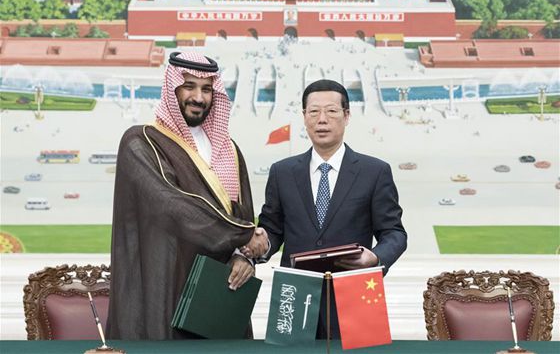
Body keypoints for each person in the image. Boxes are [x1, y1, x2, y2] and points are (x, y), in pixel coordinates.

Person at [106, 51, 268, 340]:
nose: (199, 97)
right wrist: (244, 235)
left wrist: (245, 257)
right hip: (164, 287)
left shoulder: (228, 150)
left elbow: (244, 216)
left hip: (220, 296)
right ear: (172, 89)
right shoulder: (141, 142)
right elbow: (171, 205)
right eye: (189, 86)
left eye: (207, 89)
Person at [254, 79, 407, 338]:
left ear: (346, 116)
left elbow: (394, 233)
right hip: (295, 294)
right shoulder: (282, 172)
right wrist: (261, 243)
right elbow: (272, 228)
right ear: (304, 116)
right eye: (313, 112)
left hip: (357, 290)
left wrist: (376, 258)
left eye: (331, 111)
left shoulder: (374, 172)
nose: (321, 119)